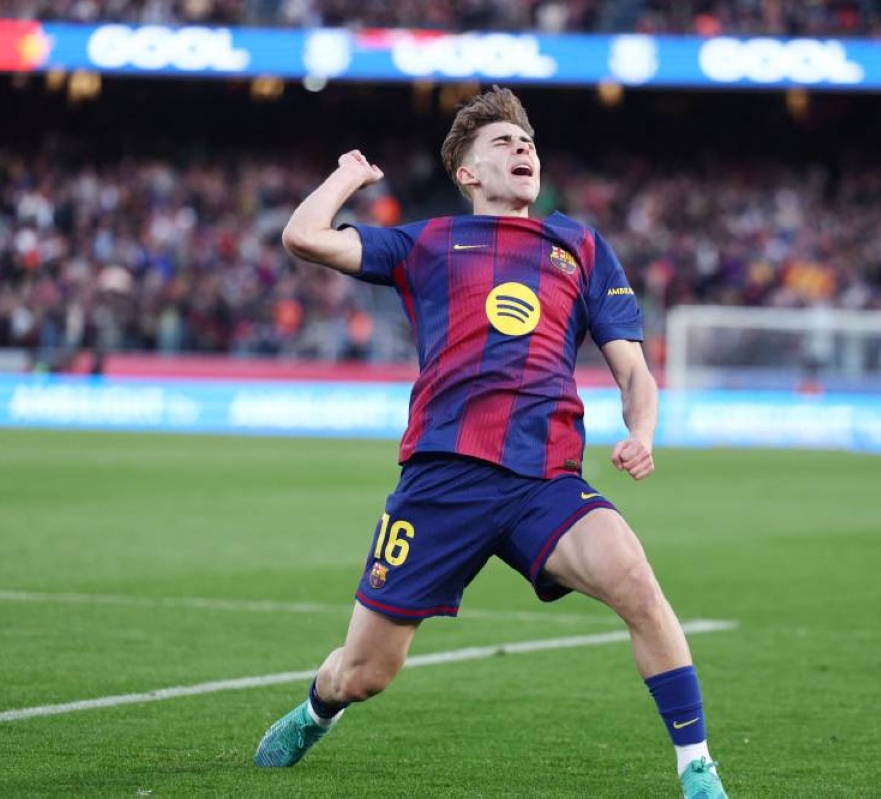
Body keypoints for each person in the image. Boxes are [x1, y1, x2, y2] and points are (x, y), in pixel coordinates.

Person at [253, 87, 728, 799]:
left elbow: (633, 369)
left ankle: (697, 768)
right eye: (503, 143)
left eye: (527, 141)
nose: (522, 150)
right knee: (367, 673)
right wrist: (348, 177)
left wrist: (642, 430)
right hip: (442, 481)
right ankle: (318, 706)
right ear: (468, 174)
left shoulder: (582, 247)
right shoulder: (428, 242)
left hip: (545, 480)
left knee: (636, 581)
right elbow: (304, 236)